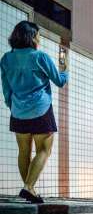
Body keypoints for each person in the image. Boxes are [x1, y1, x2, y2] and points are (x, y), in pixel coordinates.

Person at [0, 21, 68, 204]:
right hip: (41, 110)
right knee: (44, 150)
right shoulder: (40, 57)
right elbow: (59, 81)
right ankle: (28, 187)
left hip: (18, 111)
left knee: (23, 151)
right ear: (31, 37)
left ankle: (30, 189)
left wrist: (12, 105)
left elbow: (6, 88)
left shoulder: (6, 59)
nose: (39, 38)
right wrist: (65, 69)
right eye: (38, 34)